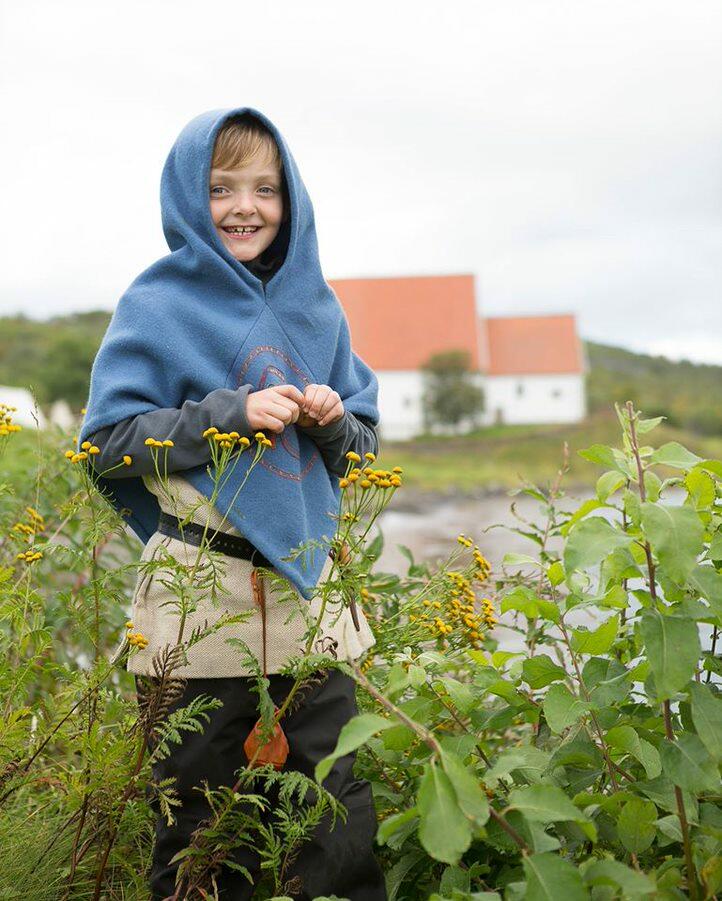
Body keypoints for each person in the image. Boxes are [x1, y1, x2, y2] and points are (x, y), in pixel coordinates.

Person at [78, 107, 387, 900]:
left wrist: (332, 421)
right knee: (201, 831)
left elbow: (362, 451)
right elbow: (107, 442)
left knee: (334, 823)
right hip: (197, 607)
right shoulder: (156, 305)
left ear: (291, 199)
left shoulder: (319, 307)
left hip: (310, 605)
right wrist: (229, 414)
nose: (245, 206)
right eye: (220, 188)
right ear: (189, 195)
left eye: (265, 188)